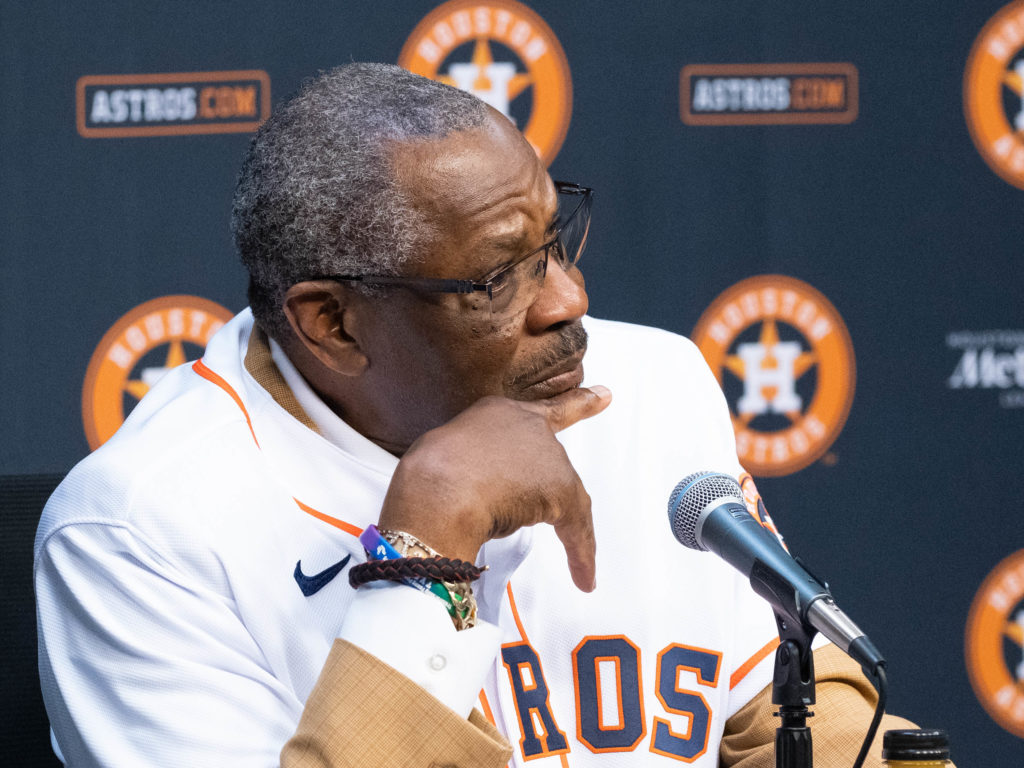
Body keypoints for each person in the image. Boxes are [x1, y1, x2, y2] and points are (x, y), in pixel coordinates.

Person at [36, 63, 917, 767]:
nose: (569, 300)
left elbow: (782, 710)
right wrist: (427, 553)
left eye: (555, 240)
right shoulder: (139, 533)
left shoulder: (653, 382)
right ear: (333, 324)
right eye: (499, 279)